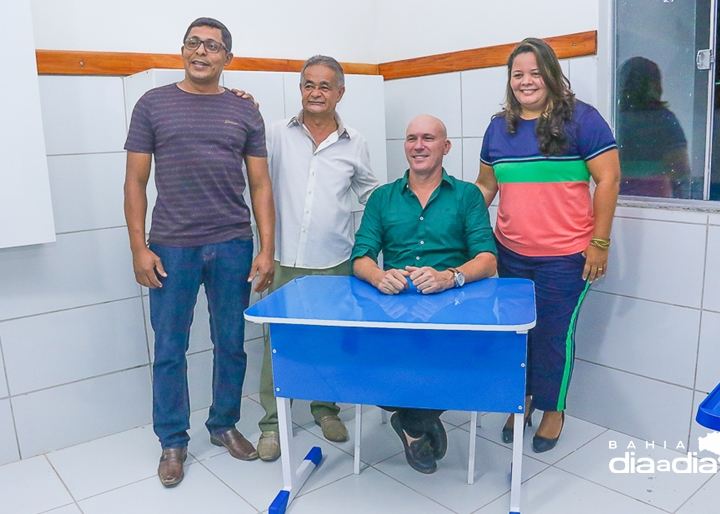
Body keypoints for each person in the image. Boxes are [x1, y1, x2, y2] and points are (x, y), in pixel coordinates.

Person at [123, 17, 276, 487]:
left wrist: (267, 248)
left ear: (227, 58)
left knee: (231, 342)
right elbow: (135, 181)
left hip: (232, 242)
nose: (201, 52)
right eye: (194, 43)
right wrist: (138, 248)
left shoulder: (245, 110)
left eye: (212, 46)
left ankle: (224, 424)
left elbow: (260, 184)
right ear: (182, 50)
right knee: (170, 347)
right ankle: (173, 440)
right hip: (171, 245)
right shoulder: (152, 104)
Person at [475, 38, 620, 453]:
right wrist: (460, 226)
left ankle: (553, 409)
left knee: (553, 336)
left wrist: (600, 243)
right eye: (518, 74)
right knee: (517, 335)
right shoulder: (498, 128)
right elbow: (486, 186)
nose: (526, 81)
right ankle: (520, 400)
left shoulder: (583, 121)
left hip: (566, 256)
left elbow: (608, 179)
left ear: (552, 75)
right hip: (510, 253)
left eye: (535, 72)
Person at [351, 114, 497, 474]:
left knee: (469, 363)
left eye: (428, 138)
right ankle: (420, 422)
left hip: (455, 307)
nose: (419, 146)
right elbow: (361, 257)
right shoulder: (382, 198)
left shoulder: (467, 196)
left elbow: (488, 259)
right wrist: (378, 276)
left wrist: (450, 277)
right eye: (412, 138)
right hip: (394, 307)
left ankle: (413, 424)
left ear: (445, 147)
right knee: (367, 362)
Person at [255, 55, 380, 461]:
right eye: (309, 84)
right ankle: (273, 424)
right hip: (284, 259)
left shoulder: (354, 142)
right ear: (300, 89)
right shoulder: (275, 134)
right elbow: (256, 187)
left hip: (335, 261)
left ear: (340, 92)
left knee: (331, 343)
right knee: (279, 345)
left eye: (325, 86)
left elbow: (369, 194)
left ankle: (326, 409)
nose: (316, 92)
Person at [616, 56, 690, 198]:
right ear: (652, 85)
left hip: (619, 201)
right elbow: (680, 168)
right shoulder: (663, 119)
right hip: (656, 203)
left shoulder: (614, 118)